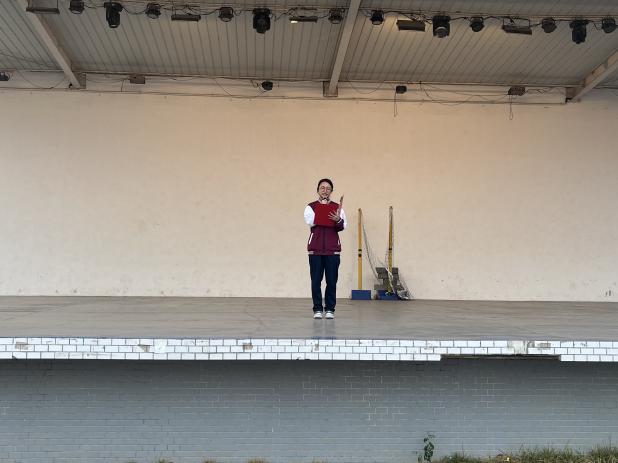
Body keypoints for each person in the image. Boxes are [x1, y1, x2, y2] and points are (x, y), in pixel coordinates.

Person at [304, 178, 347, 319]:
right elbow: (311, 221)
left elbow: (343, 225)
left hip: (332, 250)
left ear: (331, 191)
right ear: (317, 190)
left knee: (331, 282)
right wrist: (322, 209)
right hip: (315, 250)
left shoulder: (337, 208)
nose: (325, 190)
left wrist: (337, 220)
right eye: (322, 188)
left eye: (328, 188)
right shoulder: (311, 207)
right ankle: (317, 309)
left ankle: (330, 309)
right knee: (316, 281)